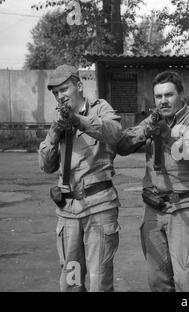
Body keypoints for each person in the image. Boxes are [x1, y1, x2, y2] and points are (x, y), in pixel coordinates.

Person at [116, 70, 189, 292]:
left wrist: (168, 135)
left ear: (181, 94)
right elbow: (122, 147)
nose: (163, 101)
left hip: (183, 207)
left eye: (168, 95)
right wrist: (144, 132)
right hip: (153, 208)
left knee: (186, 280)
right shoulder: (153, 118)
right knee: (157, 281)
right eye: (158, 97)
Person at [38, 64, 123, 292]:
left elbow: (115, 133)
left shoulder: (99, 108)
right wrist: (55, 132)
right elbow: (46, 166)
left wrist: (79, 121)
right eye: (56, 93)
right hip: (68, 212)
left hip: (99, 208)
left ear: (78, 86)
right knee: (71, 283)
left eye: (64, 89)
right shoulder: (59, 120)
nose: (60, 96)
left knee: (99, 282)